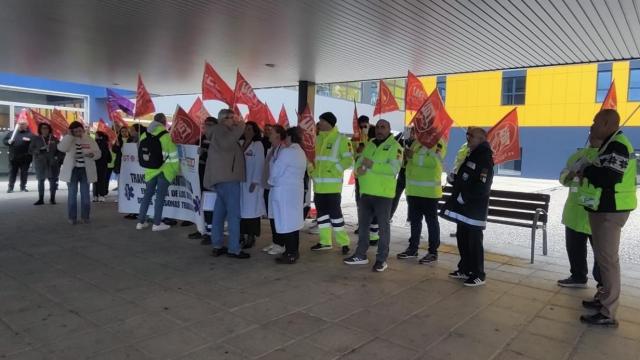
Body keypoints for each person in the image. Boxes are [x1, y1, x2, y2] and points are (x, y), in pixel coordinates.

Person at [577, 109, 636, 327]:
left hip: (613, 209)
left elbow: (610, 177)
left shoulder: (618, 145)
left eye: (594, 122)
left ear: (605, 122)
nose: (591, 126)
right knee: (603, 258)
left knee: (609, 261)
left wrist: (587, 171)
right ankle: (602, 298)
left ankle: (608, 312)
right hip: (604, 207)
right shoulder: (610, 144)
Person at [344, 119, 402, 272]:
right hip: (366, 193)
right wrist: (358, 171)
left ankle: (381, 259)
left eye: (383, 127)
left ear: (389, 129)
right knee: (363, 227)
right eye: (377, 127)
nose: (379, 130)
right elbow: (359, 163)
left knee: (383, 229)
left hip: (383, 195)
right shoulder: (369, 144)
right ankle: (360, 254)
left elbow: (393, 169)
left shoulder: (395, 147)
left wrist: (372, 166)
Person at [440, 127, 493, 287]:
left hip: (474, 208)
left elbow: (483, 185)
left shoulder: (484, 158)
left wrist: (466, 196)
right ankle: (465, 269)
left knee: (474, 242)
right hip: (464, 208)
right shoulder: (472, 154)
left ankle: (478, 274)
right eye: (467, 135)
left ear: (481, 139)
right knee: (462, 239)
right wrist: (454, 179)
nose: (468, 138)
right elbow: (467, 177)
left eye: (471, 136)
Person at [203, 109, 249, 259]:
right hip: (228, 179)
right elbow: (227, 143)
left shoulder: (217, 131)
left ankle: (217, 244)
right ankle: (234, 248)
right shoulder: (222, 131)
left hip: (222, 179)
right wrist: (241, 124)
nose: (234, 120)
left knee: (219, 213)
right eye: (231, 118)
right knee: (234, 215)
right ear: (224, 119)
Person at [398, 129, 446, 264]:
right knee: (414, 221)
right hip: (413, 190)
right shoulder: (416, 143)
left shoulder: (439, 142)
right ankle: (413, 249)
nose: (419, 130)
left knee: (431, 222)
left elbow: (434, 163)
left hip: (429, 192)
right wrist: (405, 156)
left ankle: (432, 252)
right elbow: (407, 163)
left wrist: (413, 156)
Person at [308, 112, 353, 254]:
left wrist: (334, 170)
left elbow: (348, 160)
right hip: (319, 186)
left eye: (321, 121)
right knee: (321, 216)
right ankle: (325, 241)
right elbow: (311, 159)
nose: (319, 124)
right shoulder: (317, 139)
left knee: (336, 216)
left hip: (333, 187)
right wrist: (311, 171)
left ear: (328, 123)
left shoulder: (341, 139)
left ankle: (344, 243)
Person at [557, 147, 602, 289]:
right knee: (574, 248)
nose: (592, 130)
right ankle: (578, 276)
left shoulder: (606, 154)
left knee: (601, 253)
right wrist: (570, 175)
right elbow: (563, 177)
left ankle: (603, 284)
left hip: (596, 212)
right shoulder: (577, 155)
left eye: (596, 126)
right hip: (574, 212)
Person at [268, 126, 307, 264]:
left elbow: (275, 171)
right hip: (295, 191)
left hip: (284, 191)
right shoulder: (301, 152)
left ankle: (290, 253)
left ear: (290, 137)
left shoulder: (287, 152)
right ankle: (293, 251)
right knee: (293, 223)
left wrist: (271, 181)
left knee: (285, 222)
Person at [136, 113, 179, 231]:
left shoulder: (144, 134)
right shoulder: (166, 135)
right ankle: (157, 223)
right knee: (159, 198)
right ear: (164, 122)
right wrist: (175, 170)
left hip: (150, 171)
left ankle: (140, 222)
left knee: (147, 196)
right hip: (165, 171)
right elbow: (174, 155)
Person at [58, 121, 101, 224]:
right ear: (72, 131)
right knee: (72, 196)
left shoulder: (89, 139)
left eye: (80, 130)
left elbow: (98, 153)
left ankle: (85, 217)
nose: (78, 132)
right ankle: (72, 218)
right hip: (72, 171)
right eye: (76, 131)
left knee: (86, 197)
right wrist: (69, 136)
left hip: (85, 171)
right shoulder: (68, 139)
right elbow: (61, 148)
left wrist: (93, 155)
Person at [352, 115, 380, 244]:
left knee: (374, 206)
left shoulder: (375, 137)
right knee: (361, 203)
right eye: (361, 126)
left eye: (365, 126)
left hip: (374, 178)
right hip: (361, 177)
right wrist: (357, 151)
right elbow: (353, 155)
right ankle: (362, 226)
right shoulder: (355, 137)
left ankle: (374, 233)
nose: (363, 128)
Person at [189, 116, 217, 243]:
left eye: (210, 124)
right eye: (205, 124)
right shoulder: (201, 139)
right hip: (198, 177)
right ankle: (201, 229)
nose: (207, 126)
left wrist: (205, 151)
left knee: (209, 206)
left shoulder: (217, 139)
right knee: (199, 205)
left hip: (211, 178)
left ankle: (211, 233)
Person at [239, 121, 266, 249]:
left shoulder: (258, 145)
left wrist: (255, 181)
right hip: (239, 182)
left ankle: (251, 236)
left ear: (255, 131)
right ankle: (241, 234)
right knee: (241, 209)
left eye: (250, 129)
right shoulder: (239, 143)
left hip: (252, 183)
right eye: (246, 128)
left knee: (251, 210)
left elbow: (260, 164)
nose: (247, 131)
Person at [29, 123, 62, 205]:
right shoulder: (36, 139)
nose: (45, 130)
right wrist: (39, 149)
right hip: (40, 163)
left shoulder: (54, 139)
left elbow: (60, 151)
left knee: (53, 181)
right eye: (43, 128)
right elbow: (30, 150)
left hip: (52, 163)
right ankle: (40, 199)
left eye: (46, 128)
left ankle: (52, 199)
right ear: (40, 129)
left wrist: (57, 158)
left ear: (49, 129)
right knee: (41, 181)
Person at [3, 118, 34, 193]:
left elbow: (34, 144)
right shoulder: (12, 133)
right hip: (13, 157)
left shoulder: (30, 134)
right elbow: (4, 141)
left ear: (26, 125)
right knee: (12, 173)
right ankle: (10, 187)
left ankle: (23, 187)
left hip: (25, 157)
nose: (20, 125)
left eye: (23, 124)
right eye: (19, 124)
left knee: (24, 173)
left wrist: (30, 143)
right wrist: (8, 141)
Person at [92, 131, 112, 202]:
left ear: (99, 136)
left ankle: (95, 195)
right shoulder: (105, 143)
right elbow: (108, 155)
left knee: (95, 180)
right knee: (102, 180)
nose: (95, 136)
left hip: (95, 163)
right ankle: (102, 195)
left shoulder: (95, 143)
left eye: (96, 135)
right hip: (103, 164)